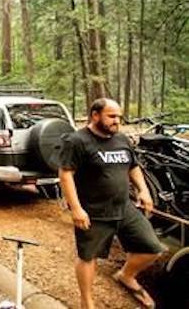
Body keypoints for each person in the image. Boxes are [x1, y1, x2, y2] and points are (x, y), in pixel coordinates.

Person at [58, 98, 164, 309]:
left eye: (119, 117)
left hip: (124, 208)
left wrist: (143, 191)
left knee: (152, 248)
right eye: (112, 116)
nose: (117, 121)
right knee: (88, 257)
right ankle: (87, 302)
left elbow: (133, 166)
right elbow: (65, 174)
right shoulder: (77, 141)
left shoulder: (121, 139)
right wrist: (76, 208)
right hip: (94, 211)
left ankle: (126, 275)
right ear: (95, 115)